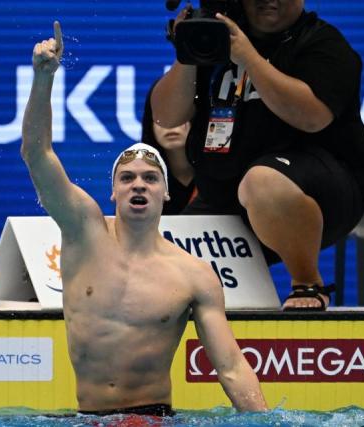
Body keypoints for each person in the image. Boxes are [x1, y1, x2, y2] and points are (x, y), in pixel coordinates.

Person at [22, 21, 268, 415]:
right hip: (87, 419)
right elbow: (37, 154)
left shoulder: (194, 274)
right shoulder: (83, 231)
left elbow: (232, 366)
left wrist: (264, 423)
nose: (139, 185)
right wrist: (43, 79)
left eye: (151, 178)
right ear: (113, 192)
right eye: (128, 178)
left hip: (154, 419)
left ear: (165, 192)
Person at [149, 0, 364, 311]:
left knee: (263, 182)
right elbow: (166, 116)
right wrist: (187, 53)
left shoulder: (323, 43)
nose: (270, 0)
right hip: (227, 195)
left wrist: (249, 59)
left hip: (320, 191)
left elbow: (312, 117)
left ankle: (307, 282)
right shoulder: (218, 40)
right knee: (165, 283)